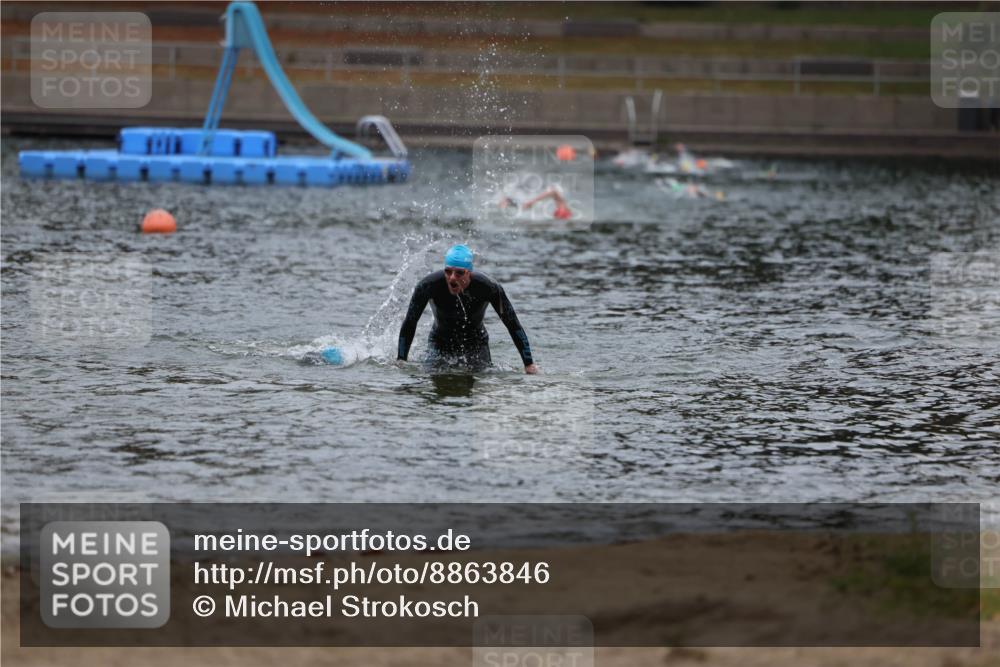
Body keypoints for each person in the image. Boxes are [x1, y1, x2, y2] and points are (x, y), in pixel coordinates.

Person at [397, 244, 538, 374]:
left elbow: (513, 324)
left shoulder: (488, 288)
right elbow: (410, 322)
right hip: (439, 342)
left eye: (459, 273)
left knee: (475, 379)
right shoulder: (428, 285)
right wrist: (401, 360)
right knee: (435, 378)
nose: (452, 278)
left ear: (469, 272)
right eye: (448, 272)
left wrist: (529, 364)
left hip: (476, 343)